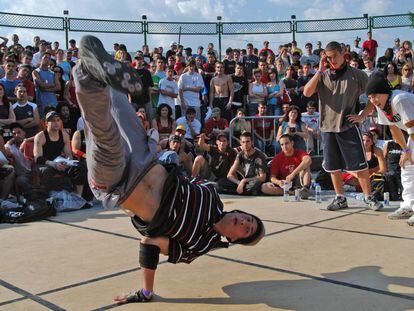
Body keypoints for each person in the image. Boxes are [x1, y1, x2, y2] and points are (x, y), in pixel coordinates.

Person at [71, 36, 265, 303]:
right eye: (248, 219)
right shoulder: (211, 195)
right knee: (118, 102)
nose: (244, 222)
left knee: (103, 134)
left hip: (118, 184)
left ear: (233, 240)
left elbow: (149, 245)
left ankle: (85, 72)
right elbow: (181, 174)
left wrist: (146, 291)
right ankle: (100, 69)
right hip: (145, 158)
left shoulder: (197, 246)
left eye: (245, 230)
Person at [303, 41, 383, 211]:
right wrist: (319, 70)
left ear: (342, 53)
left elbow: (374, 96)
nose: (332, 60)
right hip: (327, 127)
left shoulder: (357, 74)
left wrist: (362, 116)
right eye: (328, 58)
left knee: (360, 165)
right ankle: (340, 198)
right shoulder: (322, 75)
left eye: (334, 56)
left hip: (348, 126)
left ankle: (368, 197)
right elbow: (306, 92)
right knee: (333, 166)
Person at [360, 73, 414, 225]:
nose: (373, 101)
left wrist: (408, 151)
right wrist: (405, 151)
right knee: (407, 166)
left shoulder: (399, 99)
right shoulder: (382, 106)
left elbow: (412, 128)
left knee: (411, 162)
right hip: (412, 133)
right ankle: (409, 205)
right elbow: (394, 129)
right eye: (370, 97)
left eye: (375, 96)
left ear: (385, 92)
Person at [261, 134, 312, 199]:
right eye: (282, 145)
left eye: (286, 143)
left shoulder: (299, 152)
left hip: (298, 181)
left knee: (306, 166)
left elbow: (308, 160)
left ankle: (305, 189)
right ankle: (292, 193)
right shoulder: (277, 158)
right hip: (285, 185)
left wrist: (292, 174)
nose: (284, 146)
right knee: (265, 188)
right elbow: (272, 177)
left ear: (292, 143)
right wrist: (278, 182)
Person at [219, 131, 267, 196]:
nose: (245, 144)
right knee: (221, 182)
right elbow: (229, 175)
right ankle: (244, 191)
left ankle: (235, 191)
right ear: (240, 143)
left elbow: (262, 177)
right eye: (243, 142)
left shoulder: (259, 156)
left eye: (248, 142)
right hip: (244, 183)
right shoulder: (240, 155)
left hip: (254, 181)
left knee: (256, 185)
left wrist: (244, 180)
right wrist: (239, 182)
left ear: (252, 142)